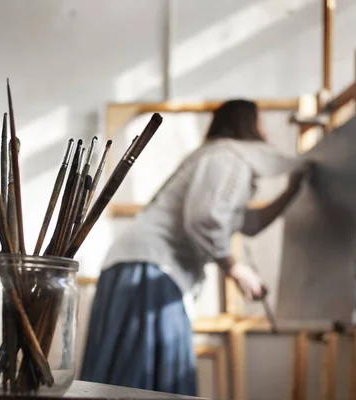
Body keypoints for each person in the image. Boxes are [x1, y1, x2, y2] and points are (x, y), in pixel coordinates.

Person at [79, 99, 308, 396]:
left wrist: (290, 193)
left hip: (138, 265)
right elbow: (204, 219)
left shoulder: (216, 157)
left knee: (126, 376)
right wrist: (235, 269)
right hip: (150, 270)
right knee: (144, 380)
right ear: (248, 124)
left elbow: (246, 221)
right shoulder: (227, 158)